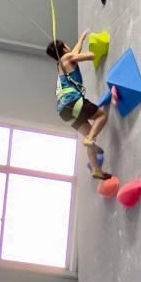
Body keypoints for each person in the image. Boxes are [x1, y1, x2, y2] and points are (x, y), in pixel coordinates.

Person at [46, 30, 110, 179]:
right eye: (67, 45)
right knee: (101, 116)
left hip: (64, 111)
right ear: (64, 49)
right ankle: (90, 139)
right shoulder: (67, 58)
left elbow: (75, 52)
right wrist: (95, 48)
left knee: (89, 135)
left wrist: (81, 38)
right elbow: (91, 56)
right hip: (72, 101)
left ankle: (96, 169)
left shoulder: (62, 64)